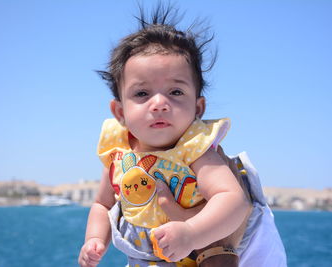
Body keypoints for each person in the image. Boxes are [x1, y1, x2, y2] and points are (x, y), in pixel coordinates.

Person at [78, 4, 252, 267]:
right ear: (120, 112)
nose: (159, 103)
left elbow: (233, 201)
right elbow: (102, 205)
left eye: (176, 92)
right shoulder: (119, 154)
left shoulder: (194, 150)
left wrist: (192, 232)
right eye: (142, 94)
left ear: (198, 108)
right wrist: (94, 239)